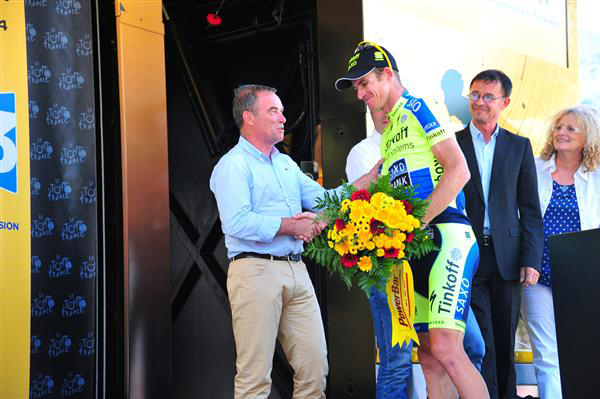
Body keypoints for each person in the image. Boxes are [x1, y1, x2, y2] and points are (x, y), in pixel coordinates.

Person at [336, 41, 488, 399]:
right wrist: (325, 209)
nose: (359, 93)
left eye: (364, 83)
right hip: (415, 249)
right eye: (355, 86)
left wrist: (417, 222)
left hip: (446, 237)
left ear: (387, 75)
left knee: (449, 350)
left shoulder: (418, 108)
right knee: (429, 357)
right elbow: (371, 179)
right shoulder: (390, 131)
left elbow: (459, 170)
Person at [209, 84, 381, 399]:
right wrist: (291, 226)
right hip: (254, 272)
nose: (283, 118)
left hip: (295, 270)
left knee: (315, 369)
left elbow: (325, 200)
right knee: (254, 377)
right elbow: (236, 221)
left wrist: (367, 181)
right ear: (249, 117)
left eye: (282, 111)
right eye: (274, 110)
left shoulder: (285, 164)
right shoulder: (233, 165)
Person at [455, 69, 544, 399]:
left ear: (504, 102)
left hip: (507, 257)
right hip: (468, 255)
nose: (479, 102)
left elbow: (530, 209)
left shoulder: (519, 147)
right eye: (474, 95)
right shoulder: (453, 143)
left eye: (487, 96)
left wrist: (531, 259)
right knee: (484, 340)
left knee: (505, 339)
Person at [522, 105, 600, 398]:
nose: (561, 133)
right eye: (558, 127)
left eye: (570, 129)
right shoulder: (533, 167)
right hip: (537, 273)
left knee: (583, 350)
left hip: (582, 277)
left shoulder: (596, 177)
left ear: (587, 137)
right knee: (546, 352)